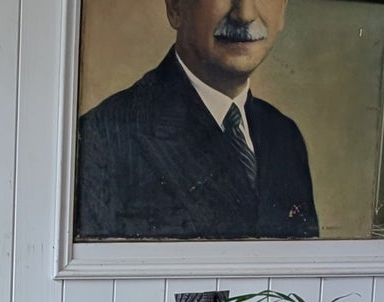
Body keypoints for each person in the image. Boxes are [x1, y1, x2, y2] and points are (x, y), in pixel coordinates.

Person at [76, 0, 318, 240]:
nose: (245, 15)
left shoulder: (284, 135)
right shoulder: (101, 138)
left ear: (284, 8)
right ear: (175, 8)